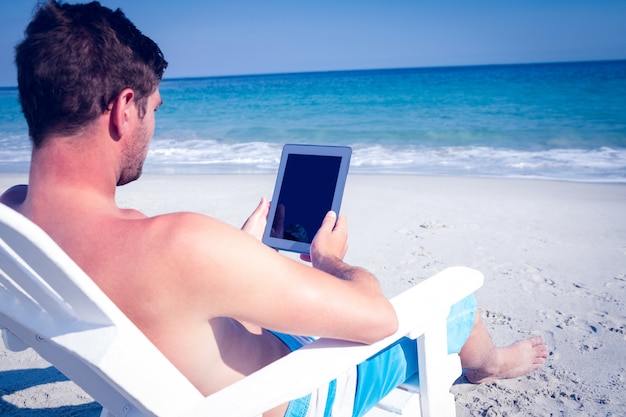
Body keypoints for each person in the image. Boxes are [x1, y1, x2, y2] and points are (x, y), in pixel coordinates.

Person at [1, 2, 548, 416]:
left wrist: (234, 258)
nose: (152, 125)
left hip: (179, 370)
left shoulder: (13, 226)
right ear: (124, 109)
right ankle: (490, 365)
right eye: (152, 109)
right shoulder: (177, 245)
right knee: (459, 305)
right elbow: (376, 320)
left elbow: (156, 298)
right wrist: (331, 261)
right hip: (288, 397)